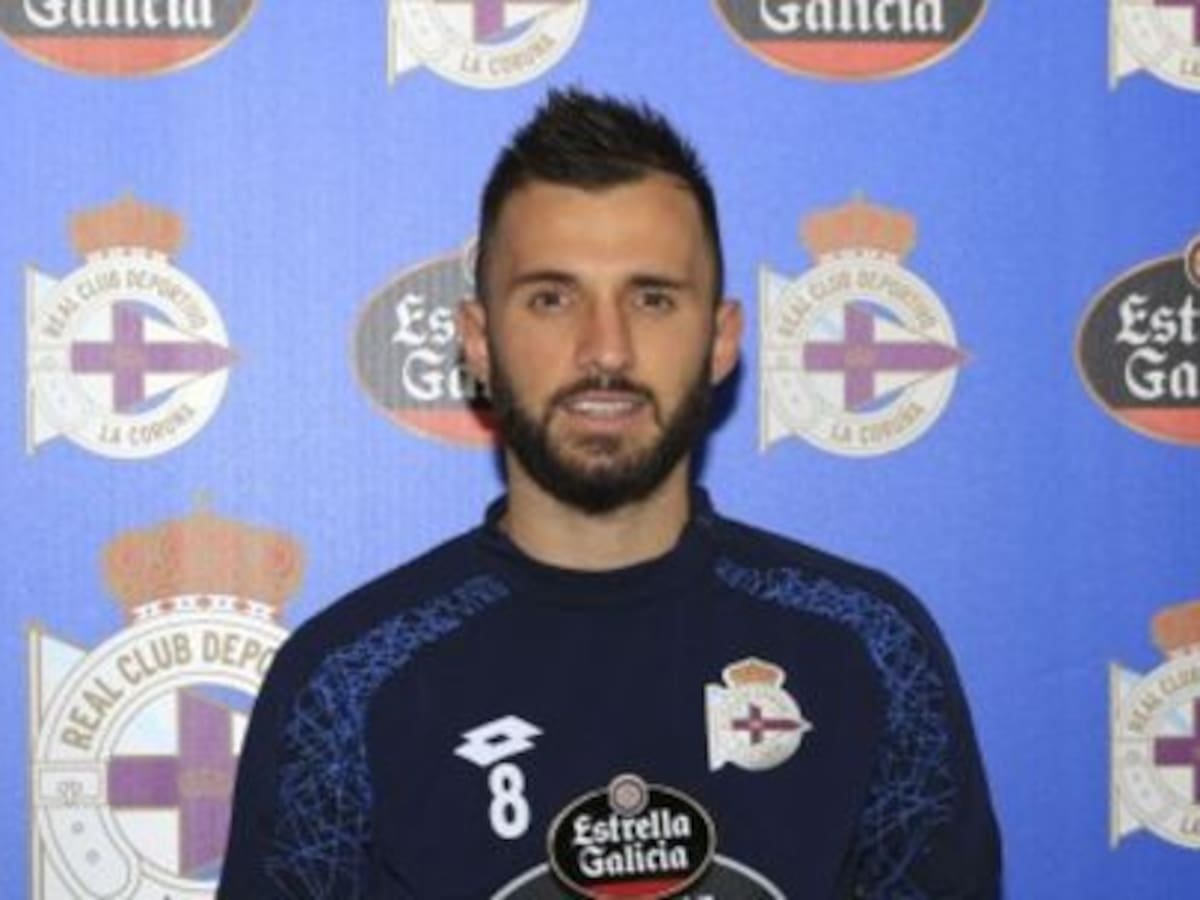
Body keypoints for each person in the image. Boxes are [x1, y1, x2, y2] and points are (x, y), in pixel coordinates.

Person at [218, 88, 1001, 899]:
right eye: (552, 298)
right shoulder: (348, 684)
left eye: (652, 298)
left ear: (721, 339)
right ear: (479, 342)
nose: (606, 350)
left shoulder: (866, 651)